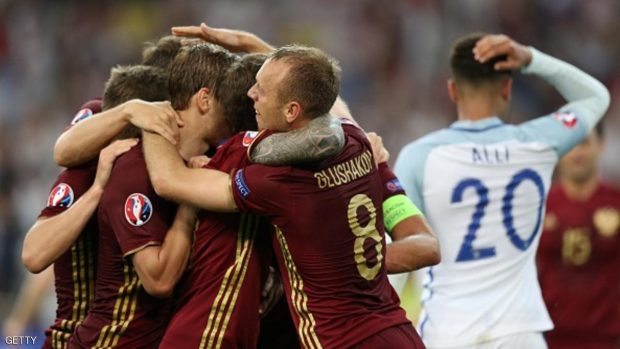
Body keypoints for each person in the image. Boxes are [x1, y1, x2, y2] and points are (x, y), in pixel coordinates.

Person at [141, 42, 428, 348]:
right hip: (398, 331)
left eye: (261, 90)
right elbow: (324, 100)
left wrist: (149, 115)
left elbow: (169, 181)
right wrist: (254, 45)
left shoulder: (278, 180)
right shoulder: (356, 140)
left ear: (292, 110)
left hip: (343, 341)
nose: (251, 94)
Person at [394, 33, 610, 349]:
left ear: (453, 91)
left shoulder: (418, 157)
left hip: (449, 333)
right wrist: (532, 59)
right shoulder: (539, 143)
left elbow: (395, 255)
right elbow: (596, 98)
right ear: (507, 89)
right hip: (520, 332)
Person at [18, 64, 171, 349]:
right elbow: (34, 255)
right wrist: (96, 191)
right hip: (73, 338)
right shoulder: (82, 174)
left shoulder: (168, 174)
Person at [537, 124, 620, 349]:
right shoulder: (539, 208)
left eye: (583, 144)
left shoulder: (616, 203)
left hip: (606, 340)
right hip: (548, 339)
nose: (577, 153)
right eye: (570, 145)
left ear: (600, 146)